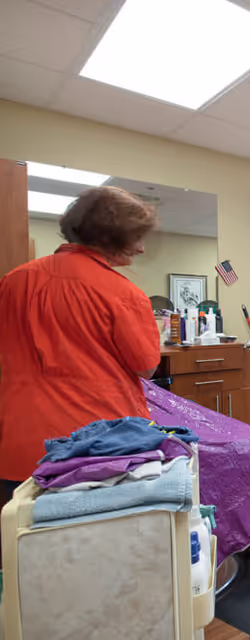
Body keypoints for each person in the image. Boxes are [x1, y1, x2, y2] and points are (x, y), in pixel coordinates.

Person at [0, 186, 160, 504]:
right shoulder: (124, 294)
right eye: (137, 238)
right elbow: (146, 367)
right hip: (94, 449)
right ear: (110, 236)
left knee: (22, 532)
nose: (142, 249)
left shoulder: (12, 281)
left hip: (19, 443)